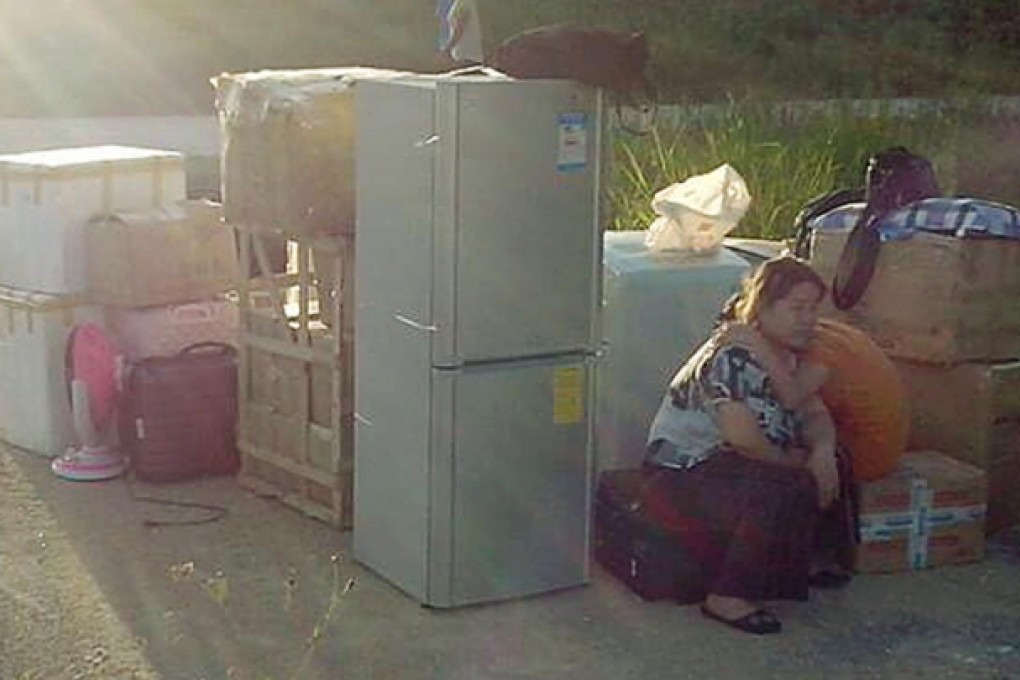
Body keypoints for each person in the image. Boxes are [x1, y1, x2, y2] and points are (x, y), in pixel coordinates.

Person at [644, 255, 857, 635]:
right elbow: (742, 439)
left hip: (733, 465)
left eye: (813, 309)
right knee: (778, 483)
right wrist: (795, 464)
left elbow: (812, 413)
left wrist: (821, 453)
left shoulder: (787, 355)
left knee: (835, 458)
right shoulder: (732, 355)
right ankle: (727, 596)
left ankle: (809, 561)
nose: (808, 318)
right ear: (764, 307)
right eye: (797, 308)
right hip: (685, 473)